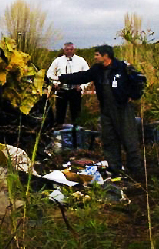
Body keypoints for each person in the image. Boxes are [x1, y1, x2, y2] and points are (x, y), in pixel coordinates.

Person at [59, 44, 142, 177]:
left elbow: (139, 80)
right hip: (106, 110)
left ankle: (136, 172)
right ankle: (115, 169)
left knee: (129, 139)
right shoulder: (97, 69)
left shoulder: (122, 67)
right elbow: (83, 76)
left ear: (105, 56)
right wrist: (62, 78)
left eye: (97, 55)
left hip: (122, 109)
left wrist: (133, 95)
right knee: (109, 139)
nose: (95, 57)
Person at [47, 42, 89, 127]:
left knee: (76, 113)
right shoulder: (57, 61)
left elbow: (88, 75)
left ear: (74, 49)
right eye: (67, 49)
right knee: (60, 113)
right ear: (64, 50)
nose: (69, 51)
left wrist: (82, 86)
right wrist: (55, 84)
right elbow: (49, 74)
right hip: (62, 90)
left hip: (75, 90)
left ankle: (76, 133)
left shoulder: (80, 60)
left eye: (71, 49)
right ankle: (59, 133)